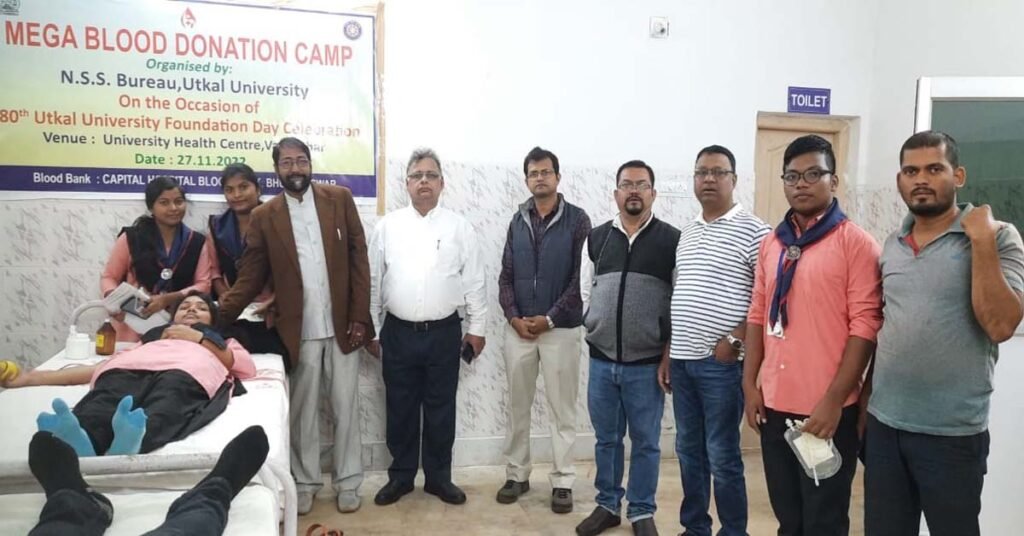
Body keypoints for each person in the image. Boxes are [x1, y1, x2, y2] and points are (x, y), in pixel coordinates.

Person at [862, 131, 1024, 536]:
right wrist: (865, 402)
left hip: (951, 435)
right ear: (900, 180)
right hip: (885, 427)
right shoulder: (893, 244)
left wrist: (981, 241)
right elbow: (889, 327)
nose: (921, 179)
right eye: (911, 171)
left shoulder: (999, 236)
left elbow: (1001, 325)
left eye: (934, 169)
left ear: (959, 176)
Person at [217, 137, 373, 515]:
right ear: (277, 170)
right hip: (297, 330)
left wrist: (359, 317)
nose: (295, 169)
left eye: (301, 161)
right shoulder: (265, 216)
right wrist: (215, 316)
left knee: (346, 407)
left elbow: (359, 260)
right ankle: (304, 483)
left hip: (343, 326)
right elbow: (250, 277)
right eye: (286, 163)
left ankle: (349, 482)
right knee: (302, 413)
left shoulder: (339, 199)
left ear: (310, 163)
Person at [743, 135, 882, 536]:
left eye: (813, 174)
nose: (801, 184)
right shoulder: (773, 243)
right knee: (788, 518)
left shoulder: (856, 244)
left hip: (826, 410)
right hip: (774, 405)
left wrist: (834, 402)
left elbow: (865, 327)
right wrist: (749, 385)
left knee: (824, 521)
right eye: (792, 176)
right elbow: (758, 314)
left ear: (833, 181)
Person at [657, 145, 769, 536]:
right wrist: (669, 352)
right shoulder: (688, 232)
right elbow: (681, 294)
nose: (708, 179)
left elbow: (766, 298)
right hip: (683, 361)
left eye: (718, 172)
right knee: (688, 451)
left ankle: (734, 530)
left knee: (721, 455)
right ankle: (695, 527)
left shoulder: (756, 232)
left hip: (721, 365)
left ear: (734, 180)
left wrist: (735, 341)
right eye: (701, 172)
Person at [367, 148, 487, 507]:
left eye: (431, 175)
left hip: (444, 333)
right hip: (398, 332)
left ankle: (438, 478)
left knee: (440, 409)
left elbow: (475, 281)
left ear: (442, 183)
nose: (424, 181)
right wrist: (372, 330)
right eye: (417, 175)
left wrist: (478, 327)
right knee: (400, 408)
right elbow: (374, 281)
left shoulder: (459, 227)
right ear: (406, 183)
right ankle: (401, 477)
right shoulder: (387, 227)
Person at [3, 293, 255, 458]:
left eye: (201, 308)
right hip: (128, 368)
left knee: (165, 406)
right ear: (173, 317)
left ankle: (132, 441)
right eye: (184, 307)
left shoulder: (221, 342)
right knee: (105, 399)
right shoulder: (150, 340)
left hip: (187, 373)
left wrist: (198, 338)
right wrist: (29, 378)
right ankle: (81, 439)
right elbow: (98, 368)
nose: (191, 310)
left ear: (212, 320)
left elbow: (245, 367)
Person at [576, 160, 680, 536]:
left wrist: (667, 354)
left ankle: (641, 511)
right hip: (602, 361)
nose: (633, 190)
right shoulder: (597, 238)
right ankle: (607, 505)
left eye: (641, 184)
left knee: (646, 442)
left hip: (646, 364)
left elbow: (677, 301)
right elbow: (586, 288)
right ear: (615, 193)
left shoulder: (671, 240)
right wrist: (592, 320)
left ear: (653, 193)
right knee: (607, 439)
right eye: (626, 184)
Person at [496, 146, 591, 513]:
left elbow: (580, 280)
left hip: (560, 330)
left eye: (546, 172)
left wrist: (549, 318)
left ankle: (563, 480)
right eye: (533, 173)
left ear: (557, 177)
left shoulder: (578, 221)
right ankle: (517, 474)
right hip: (519, 330)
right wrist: (514, 317)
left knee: (562, 409)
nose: (540, 178)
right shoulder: (517, 221)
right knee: (517, 405)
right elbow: (506, 276)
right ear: (526, 180)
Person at [25, 424, 269, 536]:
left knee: (58, 526)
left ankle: (73, 499)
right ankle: (213, 491)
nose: (190, 315)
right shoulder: (141, 344)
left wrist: (203, 342)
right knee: (191, 525)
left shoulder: (217, 344)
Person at [100, 177, 212, 342]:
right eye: (164, 203)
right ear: (151, 207)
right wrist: (115, 300)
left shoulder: (197, 242)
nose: (173, 208)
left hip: (180, 327)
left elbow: (204, 285)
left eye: (179, 201)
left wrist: (168, 299)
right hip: (133, 322)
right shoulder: (132, 238)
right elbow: (109, 277)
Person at [206, 163, 288, 364]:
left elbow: (290, 269)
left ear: (258, 189)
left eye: (243, 187)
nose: (237, 195)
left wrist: (276, 299)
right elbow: (213, 270)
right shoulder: (216, 226)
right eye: (229, 190)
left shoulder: (278, 221)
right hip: (232, 311)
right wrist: (225, 294)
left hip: (269, 311)